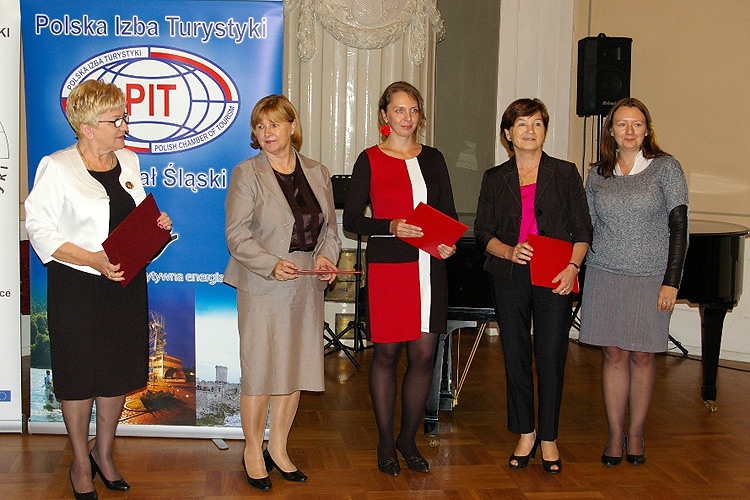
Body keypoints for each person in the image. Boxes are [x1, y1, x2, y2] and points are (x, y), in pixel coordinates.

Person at [25, 79, 173, 499]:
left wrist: (156, 227)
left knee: (115, 373)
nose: (125, 126)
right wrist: (91, 259)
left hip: (124, 285)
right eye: (116, 120)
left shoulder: (129, 161)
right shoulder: (56, 166)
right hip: (77, 286)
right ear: (87, 128)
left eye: (124, 117)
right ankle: (79, 461)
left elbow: (133, 219)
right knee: (78, 376)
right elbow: (39, 228)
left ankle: (104, 454)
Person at [223, 94, 341, 491]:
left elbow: (330, 230)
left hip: (306, 283)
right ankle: (253, 451)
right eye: (260, 126)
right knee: (260, 370)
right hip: (263, 283)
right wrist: (271, 263)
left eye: (275, 124)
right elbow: (236, 235)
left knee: (295, 368)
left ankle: (279, 447)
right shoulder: (247, 173)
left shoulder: (317, 171)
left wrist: (325, 257)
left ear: (292, 126)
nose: (267, 132)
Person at [343, 81, 458, 476]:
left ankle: (408, 440)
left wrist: (447, 243)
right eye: (398, 110)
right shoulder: (369, 159)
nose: (407, 117)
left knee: (424, 355)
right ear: (384, 116)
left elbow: (448, 215)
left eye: (413, 110)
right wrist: (390, 225)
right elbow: (352, 219)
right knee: (387, 355)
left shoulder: (435, 158)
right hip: (388, 268)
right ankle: (384, 441)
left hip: (429, 267)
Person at [474, 98, 592, 474]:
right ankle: (526, 431)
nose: (530, 130)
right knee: (515, 354)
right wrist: (508, 251)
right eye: (521, 124)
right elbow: (483, 233)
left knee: (551, 356)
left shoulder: (565, 173)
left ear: (544, 131)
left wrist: (573, 267)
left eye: (537, 123)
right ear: (508, 134)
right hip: (509, 274)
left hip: (556, 273)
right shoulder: (495, 177)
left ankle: (549, 436)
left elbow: (583, 229)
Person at [579, 97, 688, 467]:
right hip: (604, 273)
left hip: (650, 275)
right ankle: (614, 434)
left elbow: (679, 227)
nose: (629, 131)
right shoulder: (597, 174)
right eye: (622, 124)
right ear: (610, 130)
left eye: (637, 124)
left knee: (642, 354)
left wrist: (672, 281)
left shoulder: (666, 168)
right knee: (613, 353)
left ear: (647, 130)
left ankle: (636, 433)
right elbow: (587, 227)